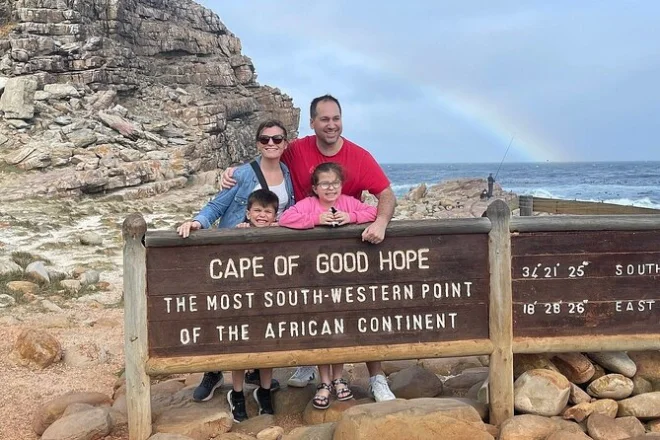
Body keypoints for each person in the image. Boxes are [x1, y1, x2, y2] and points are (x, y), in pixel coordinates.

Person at [222, 95, 397, 402]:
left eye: (336, 118)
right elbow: (269, 154)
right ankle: (311, 365)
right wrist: (235, 171)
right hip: (304, 249)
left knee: (361, 309)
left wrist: (380, 222)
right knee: (308, 308)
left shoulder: (359, 156)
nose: (331, 124)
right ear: (312, 122)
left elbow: (386, 194)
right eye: (324, 119)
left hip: (350, 249)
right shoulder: (297, 149)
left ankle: (377, 377)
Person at [177, 119, 294, 422]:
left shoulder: (287, 174)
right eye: (265, 139)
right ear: (257, 143)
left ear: (285, 143)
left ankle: (256, 376)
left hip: (268, 260)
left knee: (261, 317)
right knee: (228, 317)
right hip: (235, 256)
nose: (271, 144)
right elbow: (218, 206)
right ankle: (214, 371)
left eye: (277, 139)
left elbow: (291, 213)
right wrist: (198, 222)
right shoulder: (242, 174)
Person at [280, 162, 375, 408]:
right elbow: (286, 218)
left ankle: (338, 378)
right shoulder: (308, 205)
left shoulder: (349, 203)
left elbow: (373, 213)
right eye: (325, 184)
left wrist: (351, 217)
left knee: (339, 329)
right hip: (315, 279)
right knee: (322, 331)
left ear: (341, 185)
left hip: (342, 279)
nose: (330, 188)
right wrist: (317, 219)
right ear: (315, 187)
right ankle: (324, 382)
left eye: (335, 183)